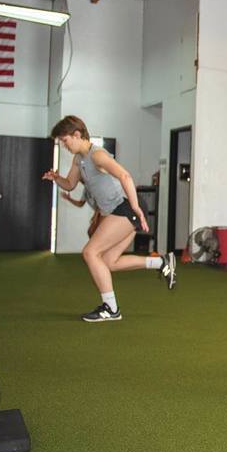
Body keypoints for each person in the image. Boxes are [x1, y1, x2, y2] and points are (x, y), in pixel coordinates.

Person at [43, 116, 176, 322]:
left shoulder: (97, 155)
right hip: (119, 211)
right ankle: (161, 262)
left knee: (90, 252)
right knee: (108, 262)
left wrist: (135, 207)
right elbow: (70, 184)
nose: (64, 145)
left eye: (65, 140)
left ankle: (111, 309)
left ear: (77, 135)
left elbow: (125, 176)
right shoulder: (79, 159)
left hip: (125, 208)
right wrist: (56, 178)